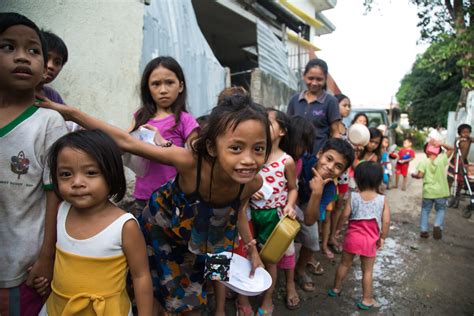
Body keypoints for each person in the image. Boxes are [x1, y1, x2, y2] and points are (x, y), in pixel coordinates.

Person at [38, 93, 267, 315]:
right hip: (163, 231)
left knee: (211, 279)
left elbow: (236, 213)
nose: (248, 159)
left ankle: (218, 309)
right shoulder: (190, 163)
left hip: (214, 233)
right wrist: (72, 113)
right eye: (236, 148)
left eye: (258, 148)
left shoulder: (252, 183)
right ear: (211, 148)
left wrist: (252, 250)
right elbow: (126, 141)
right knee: (160, 286)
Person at [36, 130, 153, 315]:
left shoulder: (124, 226)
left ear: (111, 173)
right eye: (66, 174)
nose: (77, 182)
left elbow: (141, 276)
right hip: (58, 309)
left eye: (91, 173)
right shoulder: (62, 211)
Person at [0, 13, 68, 316]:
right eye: (7, 47)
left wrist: (47, 255)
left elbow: (54, 191)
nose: (22, 58)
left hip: (22, 265)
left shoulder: (49, 121)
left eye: (32, 50)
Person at [130, 56, 199, 217]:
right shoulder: (140, 117)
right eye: (156, 84)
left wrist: (162, 142)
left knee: (171, 241)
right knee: (144, 241)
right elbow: (126, 143)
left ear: (180, 86)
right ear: (148, 88)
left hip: (173, 197)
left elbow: (196, 157)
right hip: (143, 196)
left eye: (169, 82)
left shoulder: (184, 120)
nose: (163, 90)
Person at [248, 109, 298, 314]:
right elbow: (243, 182)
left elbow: (293, 188)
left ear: (282, 132)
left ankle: (267, 299)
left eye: (268, 122)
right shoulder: (252, 155)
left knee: (271, 259)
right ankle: (243, 295)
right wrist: (250, 192)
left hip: (274, 217)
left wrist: (290, 205)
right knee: (249, 253)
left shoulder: (287, 161)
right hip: (250, 215)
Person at [328, 161, 390, 311]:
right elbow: (386, 221)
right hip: (370, 241)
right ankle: (367, 299)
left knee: (344, 264)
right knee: (367, 271)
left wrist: (337, 230)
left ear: (358, 179)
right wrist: (382, 237)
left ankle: (336, 289)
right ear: (378, 180)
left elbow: (344, 215)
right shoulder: (382, 200)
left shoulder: (354, 197)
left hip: (352, 238)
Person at [295, 138, 355, 292]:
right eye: (329, 159)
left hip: (307, 206)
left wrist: (317, 192)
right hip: (286, 198)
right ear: (319, 153)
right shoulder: (303, 160)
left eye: (338, 166)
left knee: (312, 240)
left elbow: (309, 220)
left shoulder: (329, 190)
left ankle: (300, 270)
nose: (330, 167)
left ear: (342, 172)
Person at [287, 58, 341, 154]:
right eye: (311, 78)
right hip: (294, 155)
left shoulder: (331, 101)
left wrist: (328, 154)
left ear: (325, 79)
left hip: (317, 157)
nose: (314, 83)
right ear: (304, 76)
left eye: (319, 79)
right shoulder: (294, 100)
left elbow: (335, 133)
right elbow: (287, 127)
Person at [35, 30, 79, 132]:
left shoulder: (52, 95)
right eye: (46, 57)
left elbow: (70, 123)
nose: (50, 66)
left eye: (57, 62)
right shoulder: (15, 95)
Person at [412, 140, 454, 239]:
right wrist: (441, 144)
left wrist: (415, 175)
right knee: (440, 210)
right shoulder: (442, 159)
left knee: (425, 210)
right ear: (439, 151)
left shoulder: (423, 162)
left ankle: (423, 230)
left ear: (426, 151)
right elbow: (452, 149)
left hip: (428, 192)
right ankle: (437, 225)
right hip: (441, 192)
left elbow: (420, 175)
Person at [330, 94, 352, 254]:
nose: (348, 108)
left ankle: (333, 235)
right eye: (344, 105)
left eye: (349, 106)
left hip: (344, 176)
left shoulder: (349, 130)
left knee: (339, 205)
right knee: (327, 207)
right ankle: (323, 238)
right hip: (331, 175)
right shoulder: (330, 128)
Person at [447, 124, 473, 206]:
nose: (466, 134)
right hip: (455, 160)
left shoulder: (469, 140)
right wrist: (461, 139)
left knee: (461, 180)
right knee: (450, 178)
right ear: (460, 133)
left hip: (463, 161)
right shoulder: (458, 139)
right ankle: (446, 195)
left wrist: (469, 139)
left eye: (468, 132)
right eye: (464, 132)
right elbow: (457, 143)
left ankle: (457, 194)